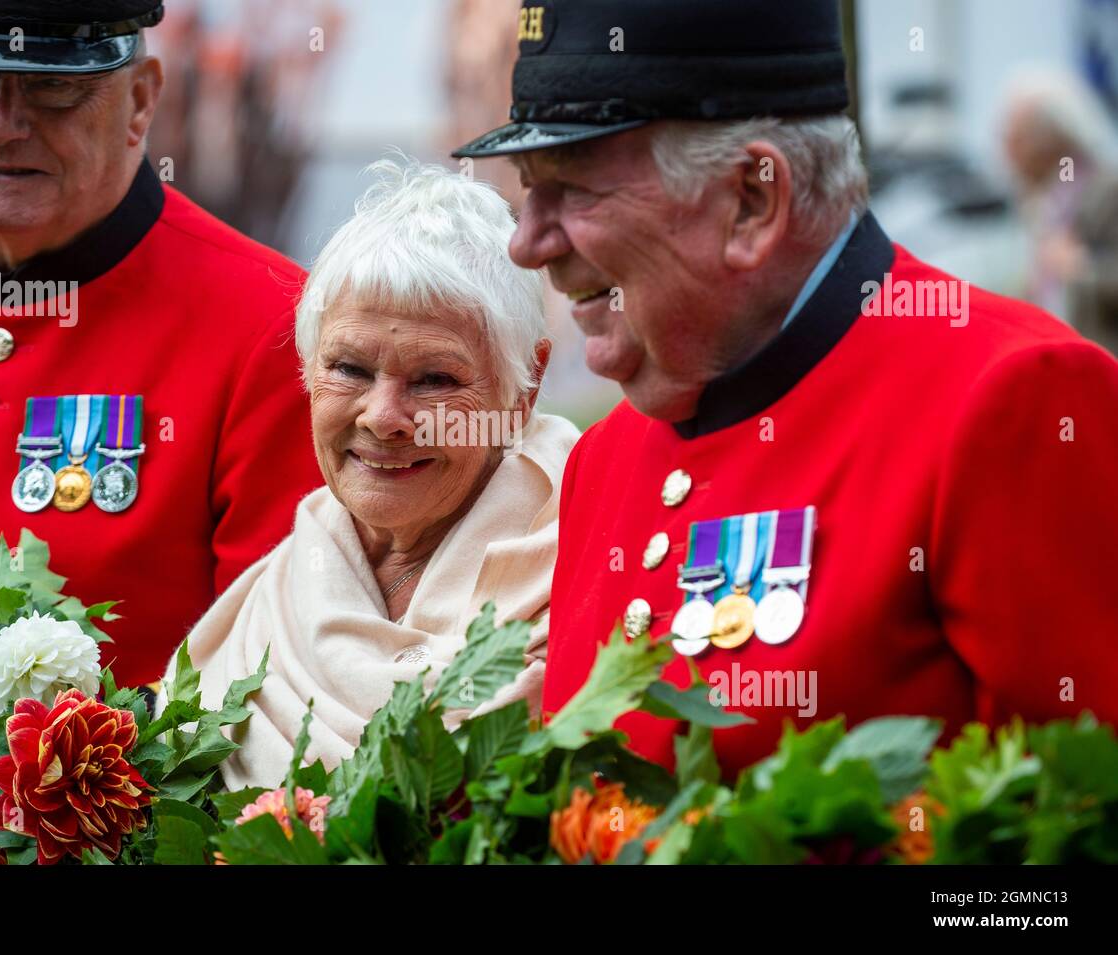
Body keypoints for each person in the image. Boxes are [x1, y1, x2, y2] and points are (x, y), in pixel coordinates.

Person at [453, 0, 1118, 776]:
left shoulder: (1014, 399)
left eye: (574, 190)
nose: (526, 242)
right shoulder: (604, 456)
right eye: (527, 189)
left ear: (752, 202)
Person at [0, 0, 322, 688]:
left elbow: (272, 688)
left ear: (140, 100)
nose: (1, 125)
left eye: (51, 88)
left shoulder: (269, 322)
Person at [162, 159, 577, 788]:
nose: (384, 418)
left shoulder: (586, 565)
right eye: (350, 369)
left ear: (526, 387)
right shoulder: (273, 595)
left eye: (435, 379)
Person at [1001, 67, 1118, 354]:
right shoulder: (1045, 201)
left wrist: (1081, 269)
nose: (1006, 152)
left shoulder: (1106, 190)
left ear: (1052, 139)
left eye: (1018, 138)